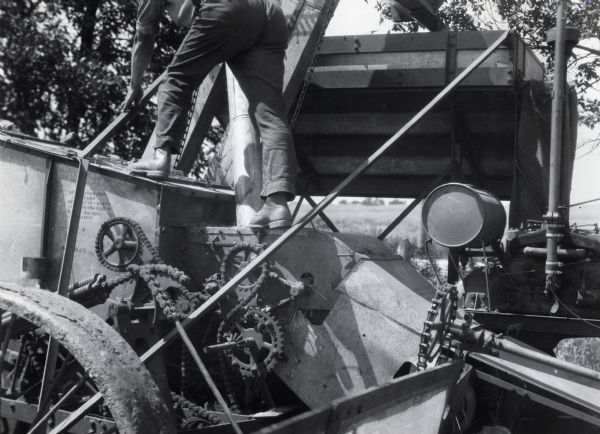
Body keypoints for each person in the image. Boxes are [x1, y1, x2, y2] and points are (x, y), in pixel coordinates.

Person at [125, 0, 297, 229]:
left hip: (227, 10)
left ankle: (161, 159)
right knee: (270, 115)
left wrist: (135, 84)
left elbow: (144, 37)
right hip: (268, 15)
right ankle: (277, 204)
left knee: (175, 80)